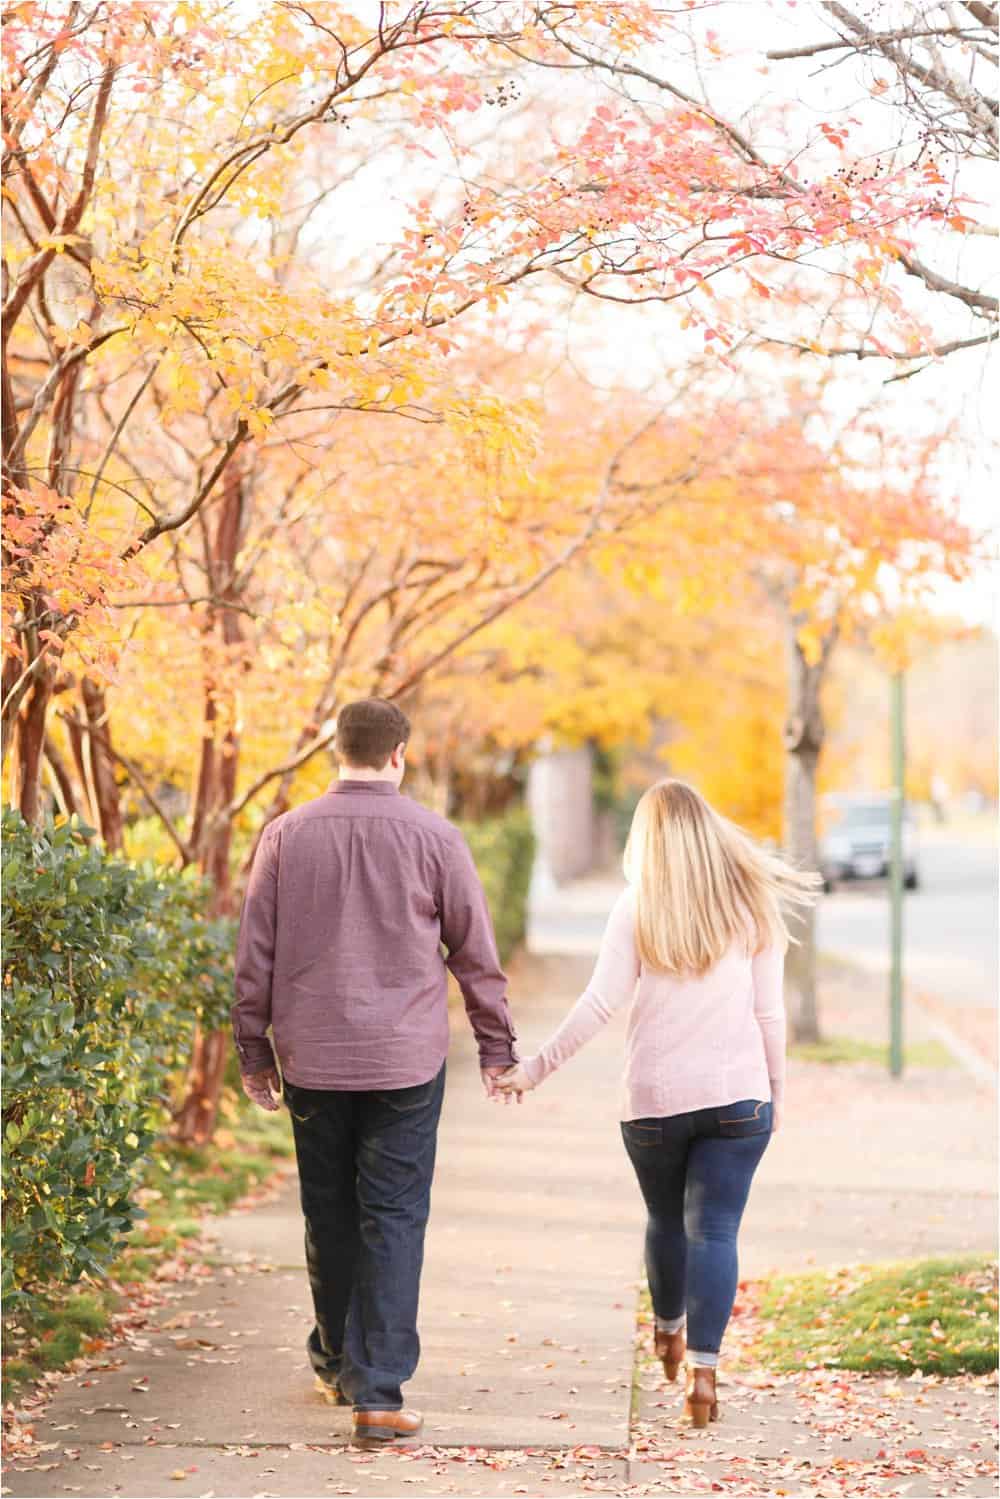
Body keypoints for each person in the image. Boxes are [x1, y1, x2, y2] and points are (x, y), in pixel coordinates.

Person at [232, 698, 518, 1446]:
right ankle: (377, 1390)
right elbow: (475, 955)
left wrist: (253, 1053)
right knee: (391, 1215)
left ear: (335, 750)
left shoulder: (285, 837)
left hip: (314, 1059)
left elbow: (253, 957)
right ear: (400, 755)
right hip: (404, 1064)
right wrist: (496, 1048)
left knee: (328, 1211)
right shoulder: (436, 838)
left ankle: (336, 1362)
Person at [497, 778, 819, 1426]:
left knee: (666, 1220)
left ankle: (668, 1328)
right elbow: (769, 1014)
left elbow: (597, 1004)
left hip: (655, 1103)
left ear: (647, 840)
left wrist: (536, 1068)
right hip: (738, 1101)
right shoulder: (751, 903)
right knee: (717, 1229)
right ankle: (704, 1372)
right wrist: (777, 1091)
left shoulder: (636, 906)